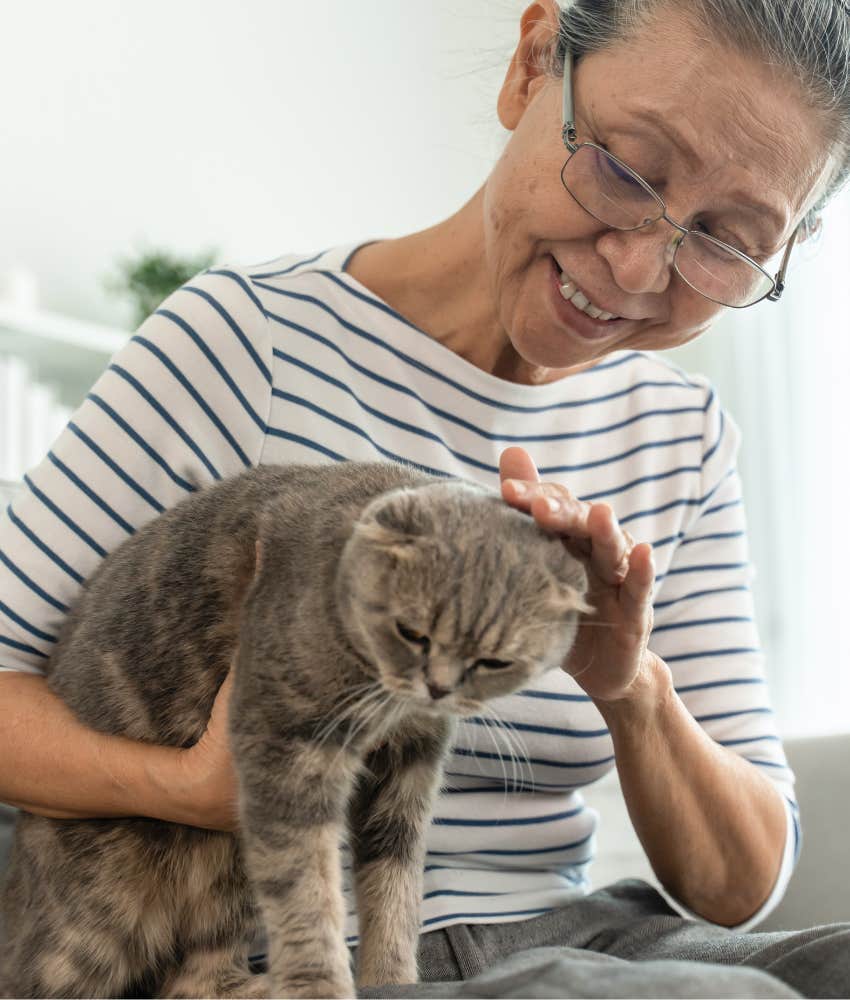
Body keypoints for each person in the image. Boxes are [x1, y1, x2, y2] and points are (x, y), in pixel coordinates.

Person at [0, 0, 848, 996]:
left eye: (726, 239)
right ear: (532, 67)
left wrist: (629, 686)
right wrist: (187, 791)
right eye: (624, 168)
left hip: (575, 937)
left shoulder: (682, 436)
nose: (635, 266)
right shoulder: (247, 343)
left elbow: (742, 883)